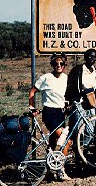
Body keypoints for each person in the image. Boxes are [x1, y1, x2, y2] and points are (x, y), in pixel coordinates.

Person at [28, 52, 71, 181]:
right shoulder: (46, 77)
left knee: (53, 143)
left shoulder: (66, 78)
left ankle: (49, 170)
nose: (58, 66)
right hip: (49, 112)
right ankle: (61, 170)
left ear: (64, 65)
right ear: (52, 64)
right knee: (66, 140)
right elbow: (33, 91)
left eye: (61, 63)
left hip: (61, 113)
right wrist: (31, 107)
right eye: (56, 63)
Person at [65, 49, 96, 140]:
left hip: (92, 102)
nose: (92, 58)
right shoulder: (78, 70)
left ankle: (85, 150)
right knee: (78, 128)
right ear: (85, 57)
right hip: (80, 102)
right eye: (90, 56)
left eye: (94, 57)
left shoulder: (95, 71)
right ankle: (77, 150)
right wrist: (69, 100)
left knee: (90, 128)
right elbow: (70, 86)